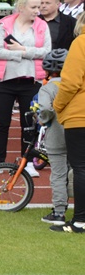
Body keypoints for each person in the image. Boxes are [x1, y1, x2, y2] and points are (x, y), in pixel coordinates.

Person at [0, 0, 51, 174]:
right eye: (33, 7)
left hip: (30, 82)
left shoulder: (42, 26)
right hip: (5, 81)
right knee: (2, 123)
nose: (37, 11)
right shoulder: (5, 25)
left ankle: (28, 163)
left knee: (29, 124)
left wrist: (21, 49)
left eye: (39, 7)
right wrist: (24, 54)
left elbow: (47, 51)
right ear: (22, 7)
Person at [51, 17, 85, 234]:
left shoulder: (81, 42)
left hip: (80, 115)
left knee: (81, 167)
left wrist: (57, 105)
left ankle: (80, 220)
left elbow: (71, 82)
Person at [37, 49, 72, 226]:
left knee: (58, 174)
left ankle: (59, 212)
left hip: (57, 136)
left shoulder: (48, 88)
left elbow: (44, 109)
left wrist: (43, 120)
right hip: (76, 134)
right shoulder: (75, 85)